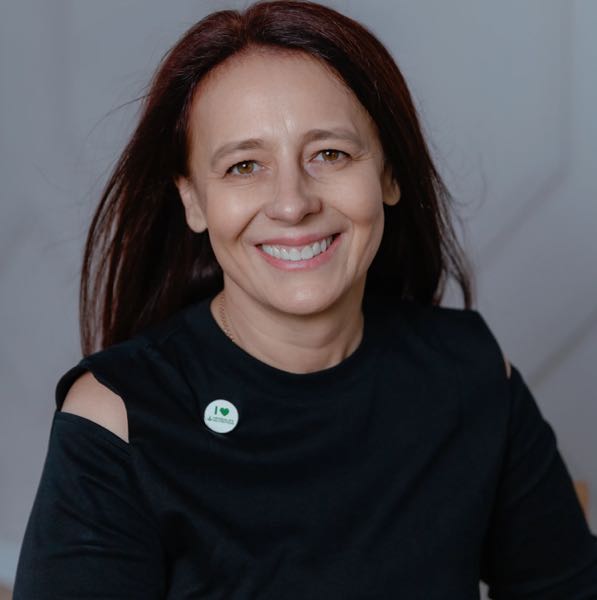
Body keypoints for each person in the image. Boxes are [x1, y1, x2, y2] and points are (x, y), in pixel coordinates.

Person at [12, 1, 597, 598]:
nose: (292, 204)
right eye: (244, 166)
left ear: (389, 175)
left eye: (330, 154)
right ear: (193, 201)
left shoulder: (471, 373)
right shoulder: (117, 417)